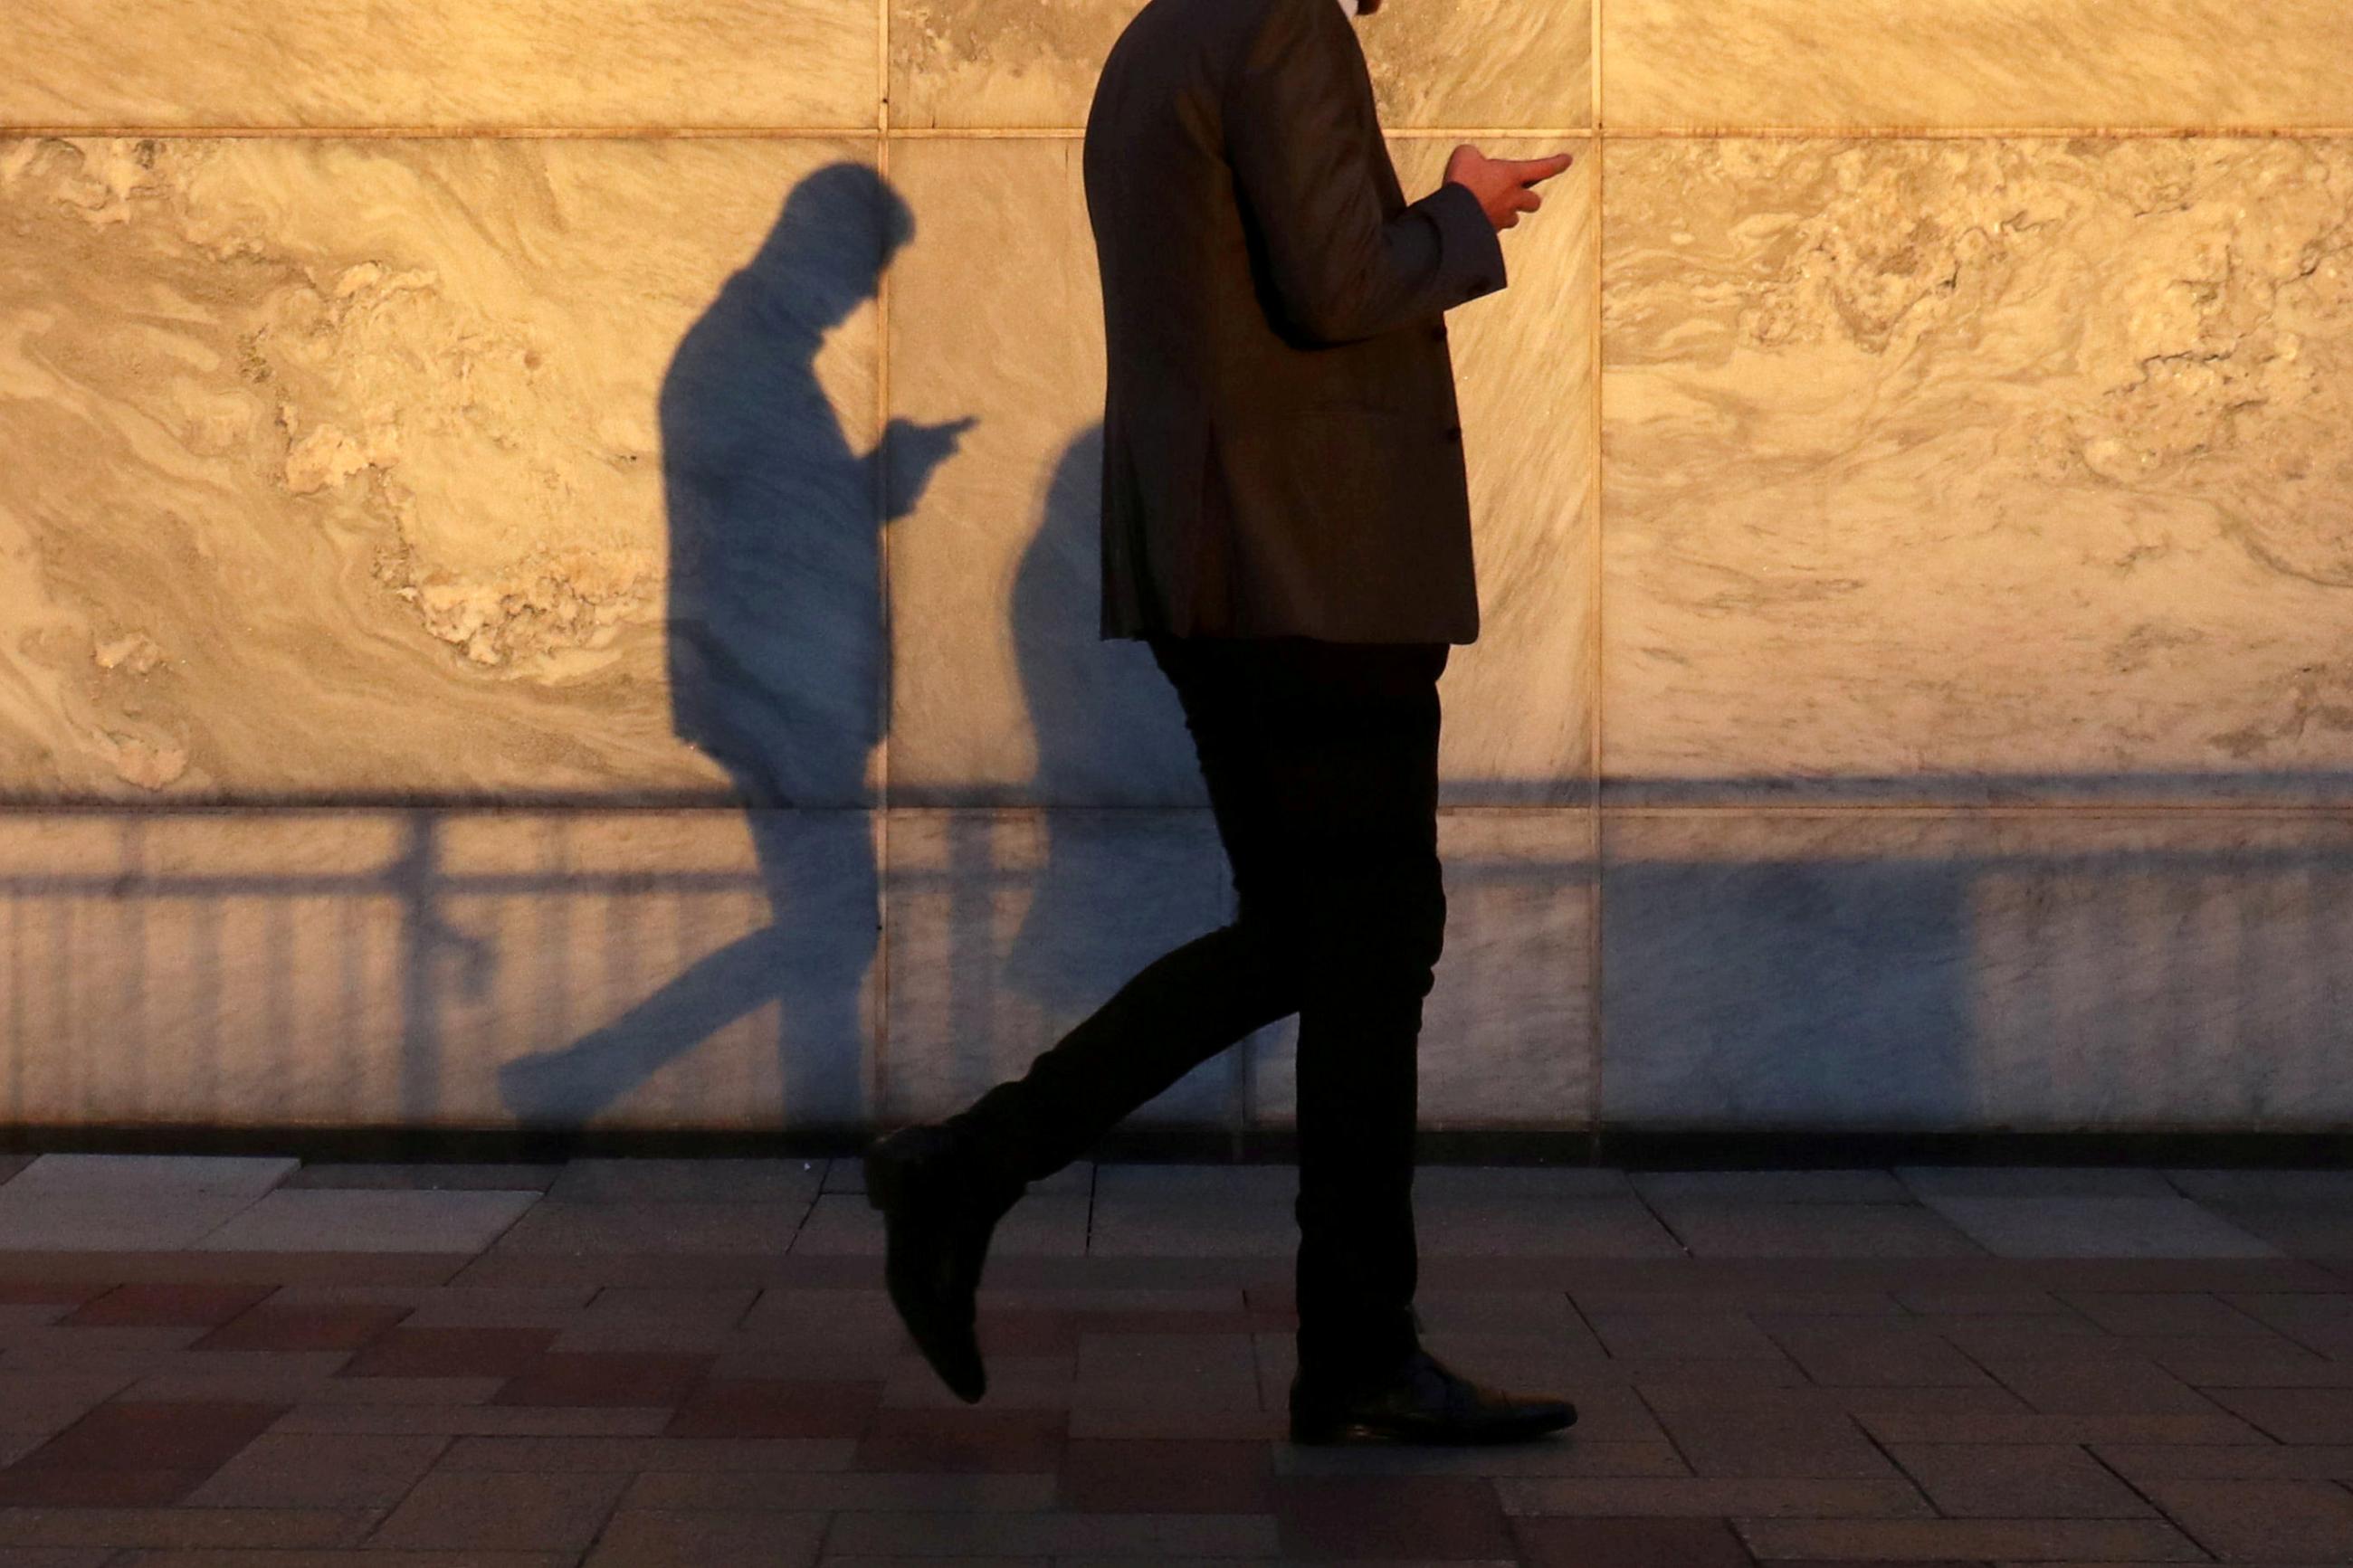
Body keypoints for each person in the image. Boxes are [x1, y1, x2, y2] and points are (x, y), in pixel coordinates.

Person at [864, 0, 1578, 1446]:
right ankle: (1357, 1351)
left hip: (1223, 571)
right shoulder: (1282, 25)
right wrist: (1463, 210)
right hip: (1315, 576)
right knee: (1372, 942)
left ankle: (972, 1168)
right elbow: (1335, 284)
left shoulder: (1159, 39)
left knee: (1305, 938)